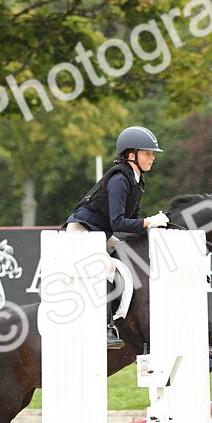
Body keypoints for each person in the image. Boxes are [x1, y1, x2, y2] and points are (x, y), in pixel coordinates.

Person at [65, 126, 169, 348]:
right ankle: (105, 328)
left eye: (152, 154)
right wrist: (149, 223)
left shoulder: (136, 180)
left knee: (130, 255)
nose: (152, 158)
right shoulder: (120, 178)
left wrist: (153, 227)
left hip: (100, 234)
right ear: (132, 155)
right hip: (82, 231)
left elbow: (134, 220)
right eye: (147, 153)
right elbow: (119, 222)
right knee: (106, 266)